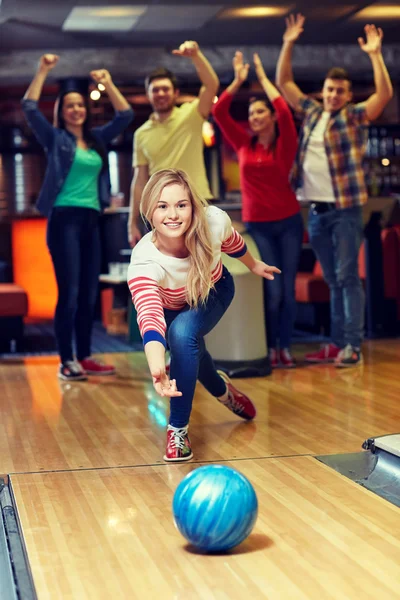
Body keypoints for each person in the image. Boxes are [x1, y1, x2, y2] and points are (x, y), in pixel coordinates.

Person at [127, 169, 280, 462]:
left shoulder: (212, 222)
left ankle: (177, 430)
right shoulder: (144, 260)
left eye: (181, 205)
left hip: (215, 291)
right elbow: (149, 317)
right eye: (162, 206)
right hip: (172, 307)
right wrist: (158, 368)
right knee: (188, 348)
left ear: (192, 206)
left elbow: (233, 243)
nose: (173, 215)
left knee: (183, 335)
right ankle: (224, 392)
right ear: (149, 210)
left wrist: (253, 265)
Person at [276, 16, 393, 367]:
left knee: (346, 278)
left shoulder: (354, 117)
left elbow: (384, 94)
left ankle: (352, 346)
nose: (333, 95)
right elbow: (284, 82)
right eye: (329, 89)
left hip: (345, 211)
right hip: (316, 212)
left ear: (347, 95)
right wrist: (288, 43)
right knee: (332, 279)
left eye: (339, 91)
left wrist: (374, 55)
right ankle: (336, 342)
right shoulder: (311, 113)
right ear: (323, 91)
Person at [22, 54, 134, 381]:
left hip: (90, 220)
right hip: (64, 220)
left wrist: (108, 83)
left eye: (80, 105)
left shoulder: (97, 139)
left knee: (88, 293)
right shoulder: (55, 139)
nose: (76, 109)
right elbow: (30, 108)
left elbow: (126, 114)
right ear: (62, 112)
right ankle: (65, 360)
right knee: (69, 293)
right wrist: (42, 70)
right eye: (69, 105)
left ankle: (84, 356)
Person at [212, 51, 302, 368]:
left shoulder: (286, 142)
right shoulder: (242, 143)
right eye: (251, 113)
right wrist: (237, 81)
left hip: (289, 223)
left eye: (260, 111)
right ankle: (269, 346)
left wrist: (264, 78)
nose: (254, 117)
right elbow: (219, 111)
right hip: (260, 226)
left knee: (287, 290)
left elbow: (286, 112)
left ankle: (284, 348)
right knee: (274, 292)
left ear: (271, 117)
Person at [127, 40, 219, 247]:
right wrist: (132, 222)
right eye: (155, 90)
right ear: (148, 95)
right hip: (161, 209)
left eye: (165, 89)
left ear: (175, 93)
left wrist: (196, 56)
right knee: (170, 271)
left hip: (197, 203)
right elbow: (140, 181)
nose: (160, 94)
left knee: (206, 268)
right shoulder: (141, 133)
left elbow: (211, 85)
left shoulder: (191, 115)